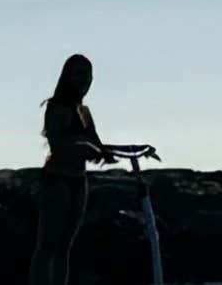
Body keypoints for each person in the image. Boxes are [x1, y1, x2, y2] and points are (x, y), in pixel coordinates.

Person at [31, 55, 156, 285]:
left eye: (88, 74)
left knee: (64, 246)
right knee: (47, 245)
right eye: (79, 73)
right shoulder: (56, 107)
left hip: (79, 182)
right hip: (56, 180)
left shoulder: (85, 111)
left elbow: (98, 147)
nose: (85, 79)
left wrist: (134, 150)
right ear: (67, 76)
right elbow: (59, 146)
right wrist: (85, 148)